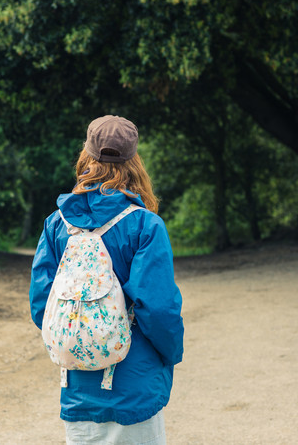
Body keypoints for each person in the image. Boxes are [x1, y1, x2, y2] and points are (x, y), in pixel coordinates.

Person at [29, 115, 185, 445]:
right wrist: (170, 355)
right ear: (134, 162)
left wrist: (78, 341)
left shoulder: (57, 224)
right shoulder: (145, 225)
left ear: (86, 157)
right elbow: (158, 310)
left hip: (78, 391)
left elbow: (42, 304)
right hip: (136, 385)